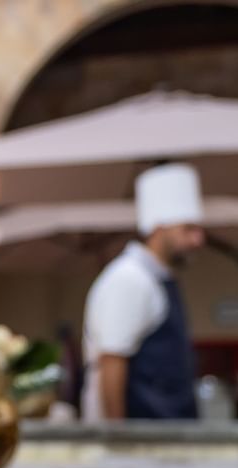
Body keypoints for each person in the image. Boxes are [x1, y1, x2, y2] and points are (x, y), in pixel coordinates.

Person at [82, 162, 207, 420]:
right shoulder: (130, 279)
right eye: (188, 229)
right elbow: (112, 361)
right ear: (159, 230)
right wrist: (120, 439)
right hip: (140, 440)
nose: (199, 240)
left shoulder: (157, 278)